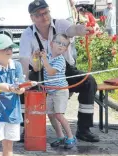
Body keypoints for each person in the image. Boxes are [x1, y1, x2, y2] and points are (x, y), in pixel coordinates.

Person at [19, 0, 99, 146]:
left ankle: (84, 129)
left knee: (89, 81)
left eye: (46, 12)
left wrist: (81, 30)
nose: (44, 17)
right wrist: (24, 82)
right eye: (39, 15)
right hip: (41, 73)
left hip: (65, 71)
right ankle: (28, 128)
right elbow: (24, 59)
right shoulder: (27, 34)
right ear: (32, 18)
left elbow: (72, 30)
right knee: (26, 89)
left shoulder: (61, 24)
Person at [33, 33, 77, 149]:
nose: (60, 46)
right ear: (52, 44)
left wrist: (44, 59)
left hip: (60, 92)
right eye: (58, 42)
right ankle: (60, 137)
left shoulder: (60, 60)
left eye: (64, 45)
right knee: (51, 114)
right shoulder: (47, 57)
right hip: (51, 92)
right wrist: (36, 57)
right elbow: (37, 68)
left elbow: (51, 71)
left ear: (66, 49)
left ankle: (71, 137)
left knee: (59, 115)